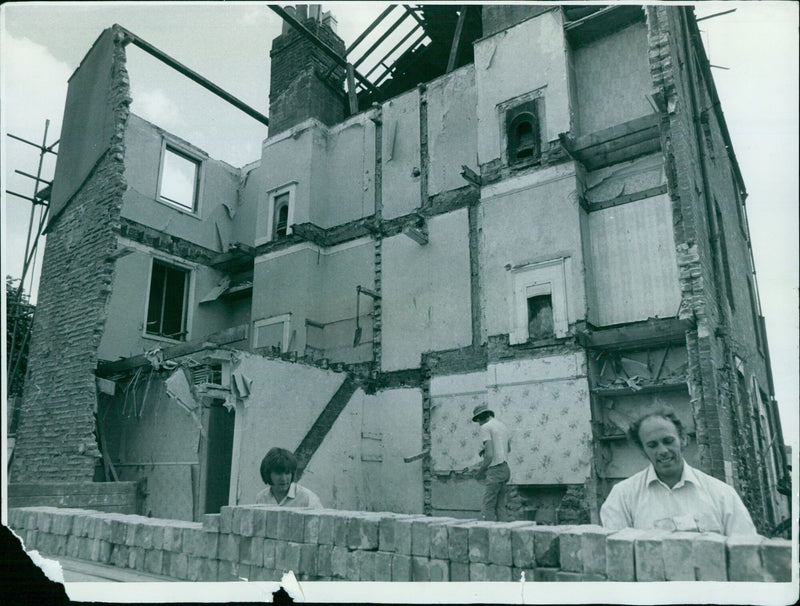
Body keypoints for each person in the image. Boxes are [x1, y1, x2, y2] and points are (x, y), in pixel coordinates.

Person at [600, 408, 757, 536]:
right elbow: (618, 555)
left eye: (668, 441)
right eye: (652, 445)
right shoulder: (622, 496)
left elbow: (747, 552)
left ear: (683, 440)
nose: (662, 451)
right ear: (643, 450)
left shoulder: (722, 494)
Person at [470, 403, 512, 521]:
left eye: (478, 420)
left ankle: (488, 536)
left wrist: (481, 471)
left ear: (480, 417)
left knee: (488, 505)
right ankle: (503, 535)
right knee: (500, 506)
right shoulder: (502, 426)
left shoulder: (486, 427)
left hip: (495, 469)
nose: (479, 423)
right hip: (505, 469)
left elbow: (489, 455)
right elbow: (507, 449)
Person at [255, 447, 324, 508]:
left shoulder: (308, 498)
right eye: (278, 473)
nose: (284, 479)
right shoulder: (261, 498)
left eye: (287, 473)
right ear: (267, 473)